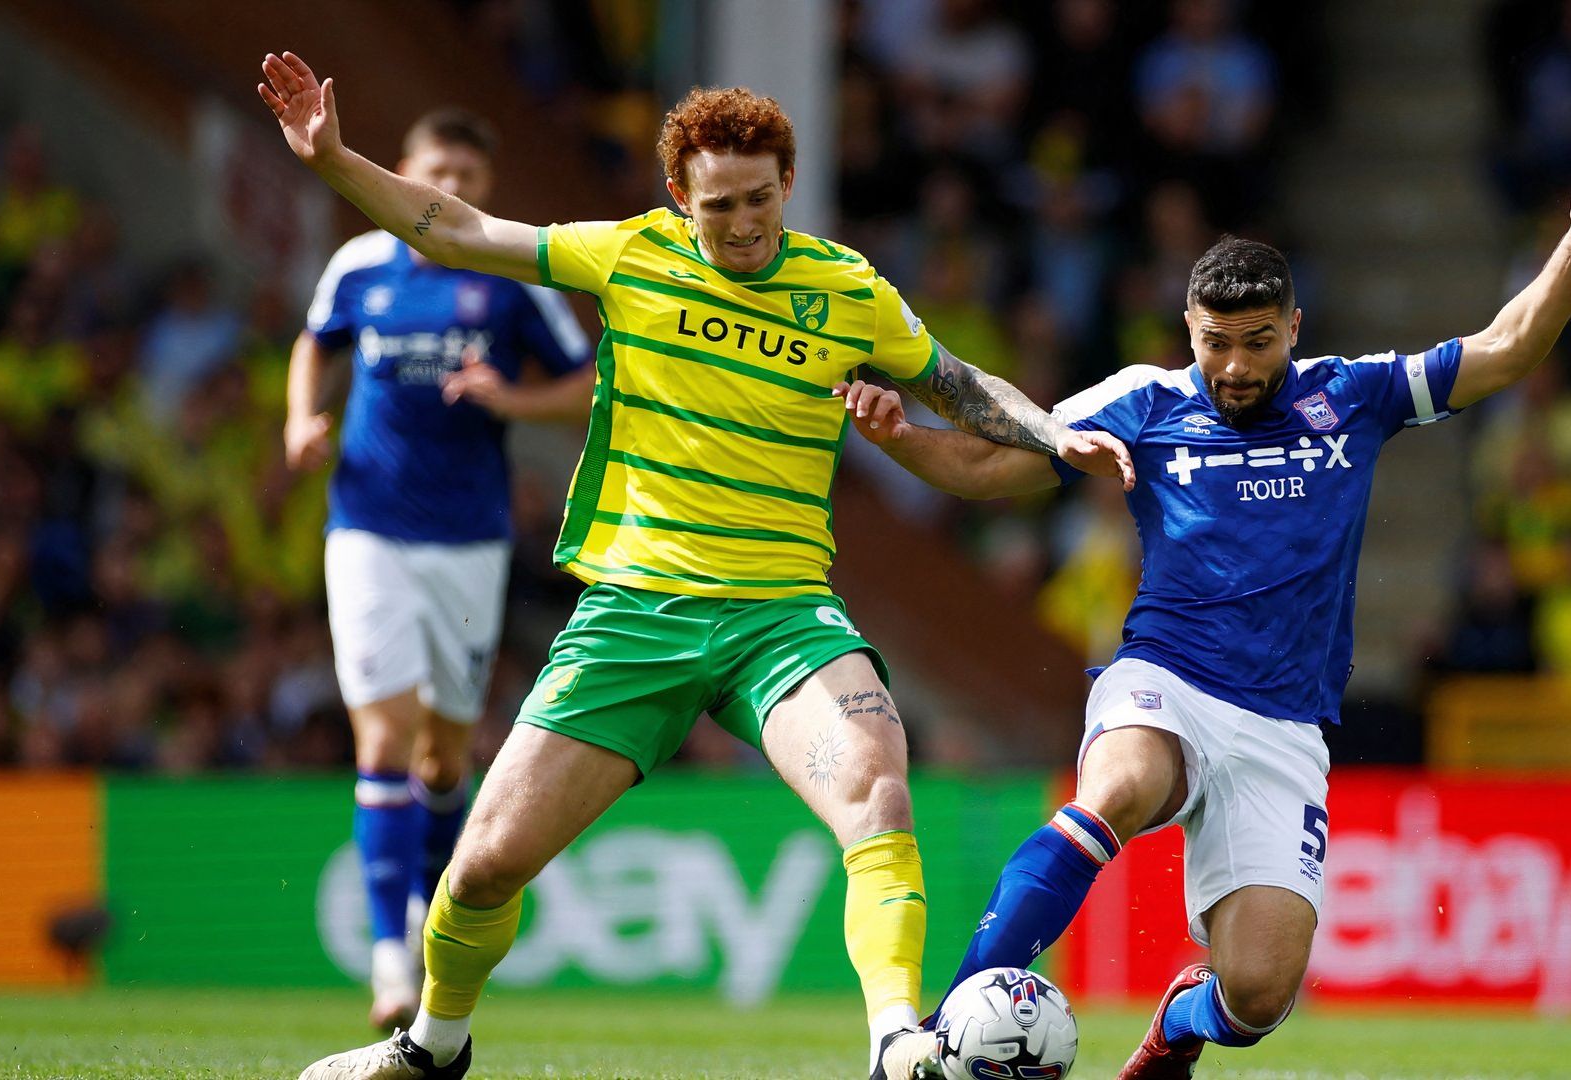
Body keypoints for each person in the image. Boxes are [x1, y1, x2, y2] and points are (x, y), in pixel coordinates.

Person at [255, 51, 1132, 1080]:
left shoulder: (847, 289)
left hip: (781, 616)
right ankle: (432, 1046)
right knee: (485, 864)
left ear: (787, 188)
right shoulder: (628, 256)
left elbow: (957, 384)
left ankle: (898, 1039)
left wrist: (1051, 432)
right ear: (681, 195)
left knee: (878, 794)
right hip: (637, 615)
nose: (746, 225)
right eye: (721, 207)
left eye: (761, 200)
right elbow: (454, 228)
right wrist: (333, 158)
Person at [847, 153, 1571, 1078]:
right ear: (1189, 330)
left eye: (1257, 342)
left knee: (1260, 992)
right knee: (1113, 791)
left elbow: (1506, 348)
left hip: (1284, 725)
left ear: (1294, 327)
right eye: (1215, 344)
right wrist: (898, 437)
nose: (1235, 367)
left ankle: (1179, 1025)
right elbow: (985, 467)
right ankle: (942, 1036)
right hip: (1165, 678)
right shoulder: (1144, 403)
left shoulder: (1352, 396)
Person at [285, 107, 596, 1033]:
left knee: (443, 758)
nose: (451, 188)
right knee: (380, 743)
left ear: (485, 188)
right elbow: (317, 344)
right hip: (369, 532)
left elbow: (591, 378)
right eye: (437, 170)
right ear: (405, 173)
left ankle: (427, 924)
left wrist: (517, 399)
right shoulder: (357, 269)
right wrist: (303, 418)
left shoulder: (508, 285)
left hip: (469, 541)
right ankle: (393, 963)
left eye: (468, 174)